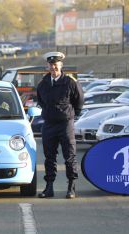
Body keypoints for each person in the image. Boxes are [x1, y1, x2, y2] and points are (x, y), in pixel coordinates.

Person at [36, 51, 84, 199]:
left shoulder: (70, 82)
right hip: (49, 124)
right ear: (47, 66)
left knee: (69, 156)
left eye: (56, 65)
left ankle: (71, 187)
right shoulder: (43, 83)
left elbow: (79, 100)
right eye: (51, 65)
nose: (53, 68)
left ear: (61, 65)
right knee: (49, 157)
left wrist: (69, 115)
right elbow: (41, 102)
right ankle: (49, 187)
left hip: (65, 124)